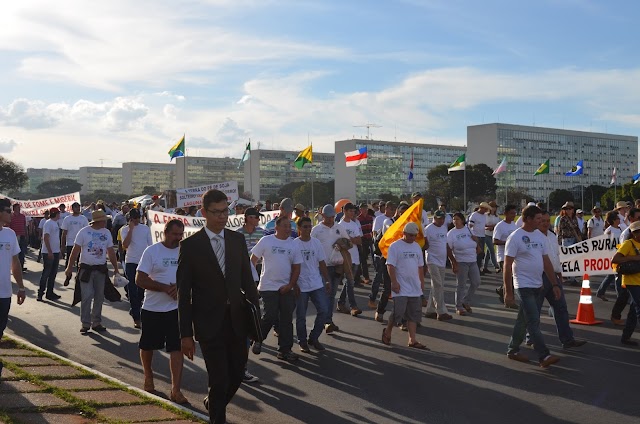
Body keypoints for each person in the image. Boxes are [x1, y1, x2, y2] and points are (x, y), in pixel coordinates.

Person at [177, 189, 259, 424]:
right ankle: (217, 417)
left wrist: (256, 319)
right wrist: (185, 334)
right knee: (219, 379)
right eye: (216, 212)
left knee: (236, 374)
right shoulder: (191, 246)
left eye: (226, 211)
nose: (222, 217)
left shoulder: (236, 240)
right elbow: (184, 294)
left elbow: (247, 281)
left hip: (237, 320)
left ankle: (214, 402)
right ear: (204, 212)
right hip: (208, 323)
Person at [136, 219, 187, 404]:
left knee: (177, 348)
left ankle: (176, 389)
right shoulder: (152, 251)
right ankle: (148, 376)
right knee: (147, 345)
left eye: (181, 235)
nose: (178, 238)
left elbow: (193, 278)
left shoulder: (185, 252)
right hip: (152, 308)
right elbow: (139, 279)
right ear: (165, 232)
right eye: (175, 234)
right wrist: (165, 288)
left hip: (175, 309)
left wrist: (180, 288)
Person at [504, 205, 561, 368]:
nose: (541, 221)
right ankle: (544, 355)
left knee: (523, 319)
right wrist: (508, 292)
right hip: (523, 285)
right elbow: (507, 265)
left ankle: (513, 349)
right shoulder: (515, 237)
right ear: (527, 219)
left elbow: (546, 262)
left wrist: (554, 283)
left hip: (538, 285)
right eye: (537, 219)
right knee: (533, 321)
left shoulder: (539, 236)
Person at [250, 216, 302, 362]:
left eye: (289, 226)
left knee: (286, 320)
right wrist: (253, 282)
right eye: (285, 226)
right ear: (276, 227)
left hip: (286, 287)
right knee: (270, 315)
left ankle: (285, 350)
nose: (288, 229)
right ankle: (258, 339)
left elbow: (297, 268)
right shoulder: (266, 241)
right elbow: (252, 261)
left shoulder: (293, 244)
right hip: (267, 286)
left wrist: (290, 285)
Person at [537, 210, 587, 349]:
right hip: (539, 277)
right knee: (535, 310)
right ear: (537, 221)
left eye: (548, 221)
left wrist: (559, 272)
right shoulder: (534, 237)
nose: (546, 223)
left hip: (554, 277)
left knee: (561, 308)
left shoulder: (552, 236)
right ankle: (531, 337)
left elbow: (556, 255)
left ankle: (567, 339)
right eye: (542, 221)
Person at [64, 210, 121, 333]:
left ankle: (96, 322)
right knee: (87, 296)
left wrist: (116, 268)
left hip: (101, 269)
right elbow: (75, 250)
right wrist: (69, 267)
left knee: (99, 297)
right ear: (98, 221)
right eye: (104, 220)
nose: (106, 222)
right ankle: (85, 323)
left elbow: (110, 251)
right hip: (86, 269)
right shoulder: (84, 232)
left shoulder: (106, 233)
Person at [381, 223, 429, 349]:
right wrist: (394, 282)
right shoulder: (395, 246)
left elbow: (420, 266)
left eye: (414, 236)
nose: (412, 238)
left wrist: (422, 283)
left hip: (414, 287)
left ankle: (412, 340)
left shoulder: (417, 247)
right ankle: (388, 331)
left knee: (413, 314)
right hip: (400, 287)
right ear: (404, 233)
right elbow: (390, 265)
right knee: (398, 312)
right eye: (410, 235)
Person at [311, 204, 351, 334]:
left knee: (332, 294)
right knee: (325, 294)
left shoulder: (339, 227)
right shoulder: (316, 230)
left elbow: (348, 242)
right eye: (328, 217)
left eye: (332, 216)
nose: (331, 219)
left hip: (337, 266)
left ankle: (327, 320)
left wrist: (342, 244)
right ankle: (326, 320)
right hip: (322, 267)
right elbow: (311, 248)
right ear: (323, 216)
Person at [294, 217, 331, 352]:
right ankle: (302, 341)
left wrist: (327, 279)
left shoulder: (316, 243)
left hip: (316, 283)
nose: (308, 229)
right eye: (305, 227)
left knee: (324, 310)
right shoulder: (294, 244)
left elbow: (322, 262)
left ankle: (313, 338)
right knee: (301, 316)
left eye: (310, 226)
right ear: (299, 228)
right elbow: (291, 267)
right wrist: (294, 284)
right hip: (301, 285)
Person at [0, 198, 26, 379]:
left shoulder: (9, 234)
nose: (11, 214)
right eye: (8, 211)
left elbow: (15, 262)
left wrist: (21, 287)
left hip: (4, 293)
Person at [120, 208, 153, 328]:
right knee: (132, 289)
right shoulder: (124, 230)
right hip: (131, 262)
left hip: (144, 262)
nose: (137, 221)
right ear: (130, 219)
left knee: (142, 290)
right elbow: (125, 245)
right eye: (134, 219)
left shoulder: (145, 228)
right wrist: (131, 229)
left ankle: (136, 308)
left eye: (138, 218)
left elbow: (150, 244)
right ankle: (136, 317)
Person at [611, 220, 640, 346]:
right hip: (631, 281)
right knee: (639, 308)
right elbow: (615, 259)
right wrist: (634, 257)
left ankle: (625, 337)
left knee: (634, 310)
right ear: (634, 233)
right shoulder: (628, 243)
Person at [447, 213, 481, 316]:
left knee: (476, 282)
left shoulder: (468, 229)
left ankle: (466, 300)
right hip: (461, 261)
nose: (455, 221)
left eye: (457, 219)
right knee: (461, 285)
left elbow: (475, 241)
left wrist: (477, 241)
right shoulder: (451, 233)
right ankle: (459, 306)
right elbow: (448, 249)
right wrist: (453, 262)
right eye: (454, 219)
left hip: (472, 260)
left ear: (462, 220)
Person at [423, 210, 454, 321]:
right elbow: (425, 245)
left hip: (441, 260)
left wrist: (452, 260)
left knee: (436, 286)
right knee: (438, 285)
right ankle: (441, 311)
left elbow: (445, 244)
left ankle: (430, 310)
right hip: (432, 260)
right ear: (434, 218)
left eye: (443, 218)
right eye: (439, 218)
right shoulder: (428, 229)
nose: (441, 220)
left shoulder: (444, 228)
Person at [336, 202, 363, 316]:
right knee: (350, 282)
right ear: (345, 211)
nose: (352, 213)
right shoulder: (340, 225)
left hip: (355, 256)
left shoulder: (354, 224)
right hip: (346, 257)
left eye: (353, 211)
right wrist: (351, 240)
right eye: (350, 211)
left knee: (349, 282)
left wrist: (349, 239)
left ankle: (341, 302)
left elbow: (359, 241)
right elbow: (342, 243)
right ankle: (353, 306)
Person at [493, 205, 519, 304]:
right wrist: (507, 242)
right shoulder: (500, 226)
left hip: (513, 256)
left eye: (515, 213)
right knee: (509, 277)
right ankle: (510, 300)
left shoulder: (514, 225)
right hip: (503, 256)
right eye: (512, 213)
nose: (514, 215)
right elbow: (495, 241)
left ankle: (501, 290)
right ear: (506, 213)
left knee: (513, 277)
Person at [595, 211, 622, 302]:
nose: (619, 220)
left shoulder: (620, 229)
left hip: (620, 254)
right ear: (614, 220)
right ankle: (620, 297)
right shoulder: (609, 231)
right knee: (618, 276)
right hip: (614, 256)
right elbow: (607, 245)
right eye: (618, 219)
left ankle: (600, 292)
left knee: (611, 276)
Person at [38, 207, 61, 301]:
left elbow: (55, 238)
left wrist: (58, 251)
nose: (60, 215)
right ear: (55, 214)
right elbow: (46, 238)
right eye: (58, 213)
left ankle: (50, 293)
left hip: (55, 251)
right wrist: (50, 251)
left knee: (53, 274)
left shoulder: (55, 223)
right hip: (48, 252)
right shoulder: (48, 223)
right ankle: (40, 293)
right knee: (46, 273)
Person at [61, 202, 89, 270]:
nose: (78, 209)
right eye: (76, 207)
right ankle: (67, 276)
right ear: (72, 208)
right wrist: (62, 245)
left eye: (78, 207)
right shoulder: (67, 219)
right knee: (69, 261)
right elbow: (64, 233)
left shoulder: (83, 218)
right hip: (70, 243)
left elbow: (87, 232)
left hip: (81, 244)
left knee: (80, 263)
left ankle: (78, 278)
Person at [467, 201, 490, 270]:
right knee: (476, 253)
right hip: (476, 236)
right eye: (485, 209)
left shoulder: (484, 216)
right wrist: (472, 235)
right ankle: (475, 268)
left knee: (481, 253)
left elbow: (483, 225)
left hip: (482, 236)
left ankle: (478, 268)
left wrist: (487, 227)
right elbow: (470, 226)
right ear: (481, 208)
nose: (486, 211)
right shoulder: (474, 215)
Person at [355, 203, 373, 285]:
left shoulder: (370, 218)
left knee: (367, 259)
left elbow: (372, 229)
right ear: (360, 210)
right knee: (362, 260)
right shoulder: (358, 219)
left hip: (370, 240)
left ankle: (364, 276)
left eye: (366, 208)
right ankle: (365, 277)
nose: (365, 210)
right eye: (363, 208)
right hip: (363, 240)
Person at [9, 203, 28, 272]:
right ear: (14, 208)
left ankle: (21, 267)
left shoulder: (23, 216)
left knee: (22, 252)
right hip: (14, 236)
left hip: (22, 235)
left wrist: (26, 234)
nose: (19, 209)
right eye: (17, 207)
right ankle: (14, 267)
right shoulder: (11, 216)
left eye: (19, 207)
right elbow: (9, 226)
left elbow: (24, 226)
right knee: (14, 253)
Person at [482, 201, 501, 274]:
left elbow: (498, 225)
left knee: (488, 252)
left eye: (495, 207)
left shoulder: (497, 217)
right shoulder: (485, 216)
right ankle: (496, 266)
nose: (494, 208)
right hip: (486, 234)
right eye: (493, 207)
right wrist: (488, 227)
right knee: (492, 250)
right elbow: (482, 225)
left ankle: (485, 267)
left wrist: (494, 227)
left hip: (493, 234)